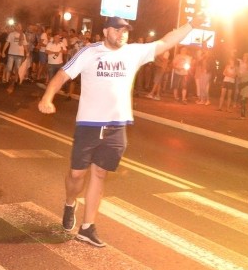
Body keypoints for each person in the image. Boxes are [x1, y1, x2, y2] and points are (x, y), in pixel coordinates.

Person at [38, 15, 201, 247]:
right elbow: (62, 75)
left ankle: (87, 227)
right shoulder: (89, 52)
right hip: (89, 124)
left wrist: (192, 25)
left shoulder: (133, 52)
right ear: (106, 32)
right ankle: (70, 202)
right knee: (76, 175)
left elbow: (166, 42)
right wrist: (47, 97)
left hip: (117, 125)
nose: (122, 34)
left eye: (125, 31)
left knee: (100, 174)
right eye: (117, 30)